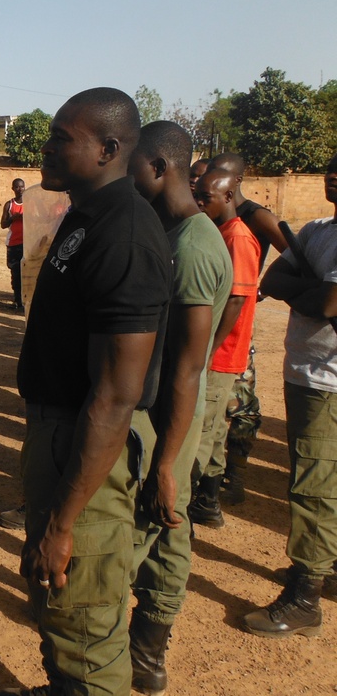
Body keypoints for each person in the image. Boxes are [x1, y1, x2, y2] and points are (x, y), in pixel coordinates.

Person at [0, 88, 172, 696]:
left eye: (60, 138)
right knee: (57, 607)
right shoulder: (86, 213)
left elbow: (116, 397)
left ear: (109, 148)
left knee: (85, 622)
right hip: (59, 436)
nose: (44, 148)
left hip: (87, 452)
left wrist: (65, 522)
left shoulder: (124, 234)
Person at [126, 122, 232, 696]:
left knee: (146, 524)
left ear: (161, 167)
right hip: (166, 411)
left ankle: (122, 659)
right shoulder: (172, 232)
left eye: (133, 167)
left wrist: (167, 462)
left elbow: (190, 366)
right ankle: (147, 657)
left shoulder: (192, 247)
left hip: (171, 417)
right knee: (169, 531)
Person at [242, 152, 337, 638]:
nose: (333, 175)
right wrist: (311, 290)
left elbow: (328, 303)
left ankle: (305, 597)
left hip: (327, 380)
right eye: (331, 167)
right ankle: (324, 566)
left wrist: (309, 291)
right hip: (306, 371)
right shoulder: (319, 230)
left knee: (314, 485)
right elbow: (273, 280)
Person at [210, 153, 289, 505]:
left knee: (242, 405)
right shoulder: (211, 211)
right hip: (214, 314)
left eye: (221, 175)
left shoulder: (256, 217)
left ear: (237, 180)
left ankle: (235, 474)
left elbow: (294, 259)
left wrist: (259, 289)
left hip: (235, 321)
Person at [189, 169, 261, 529]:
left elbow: (236, 300)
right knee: (213, 432)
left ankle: (189, 505)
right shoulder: (220, 231)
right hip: (216, 354)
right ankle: (208, 503)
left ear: (229, 196)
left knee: (201, 434)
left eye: (207, 197)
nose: (199, 202)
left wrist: (207, 349)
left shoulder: (238, 239)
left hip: (221, 354)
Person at [1, 177, 26, 310]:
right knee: (15, 273)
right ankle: (17, 301)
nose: (20, 189)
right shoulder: (9, 205)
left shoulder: (30, 203)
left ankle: (26, 300)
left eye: (22, 187)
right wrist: (12, 218)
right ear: (13, 189)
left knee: (26, 273)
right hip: (13, 243)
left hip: (28, 244)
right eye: (17, 187)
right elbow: (3, 225)